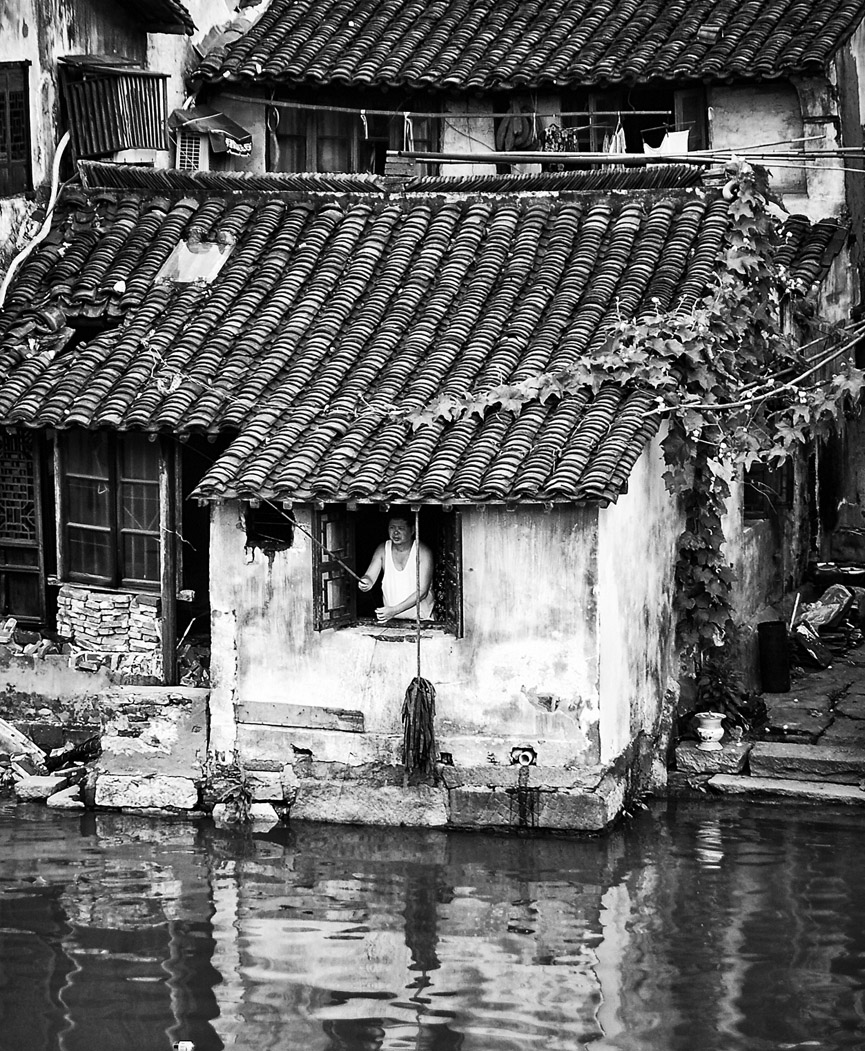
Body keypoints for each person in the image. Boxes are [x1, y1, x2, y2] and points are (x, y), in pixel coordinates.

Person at [358, 514, 434, 624]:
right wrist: (365, 582)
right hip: (391, 620)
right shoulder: (383, 549)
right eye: (392, 528)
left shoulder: (423, 551)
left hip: (422, 620)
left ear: (412, 530)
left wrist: (394, 610)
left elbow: (422, 591)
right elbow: (369, 576)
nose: (396, 532)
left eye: (401, 528)